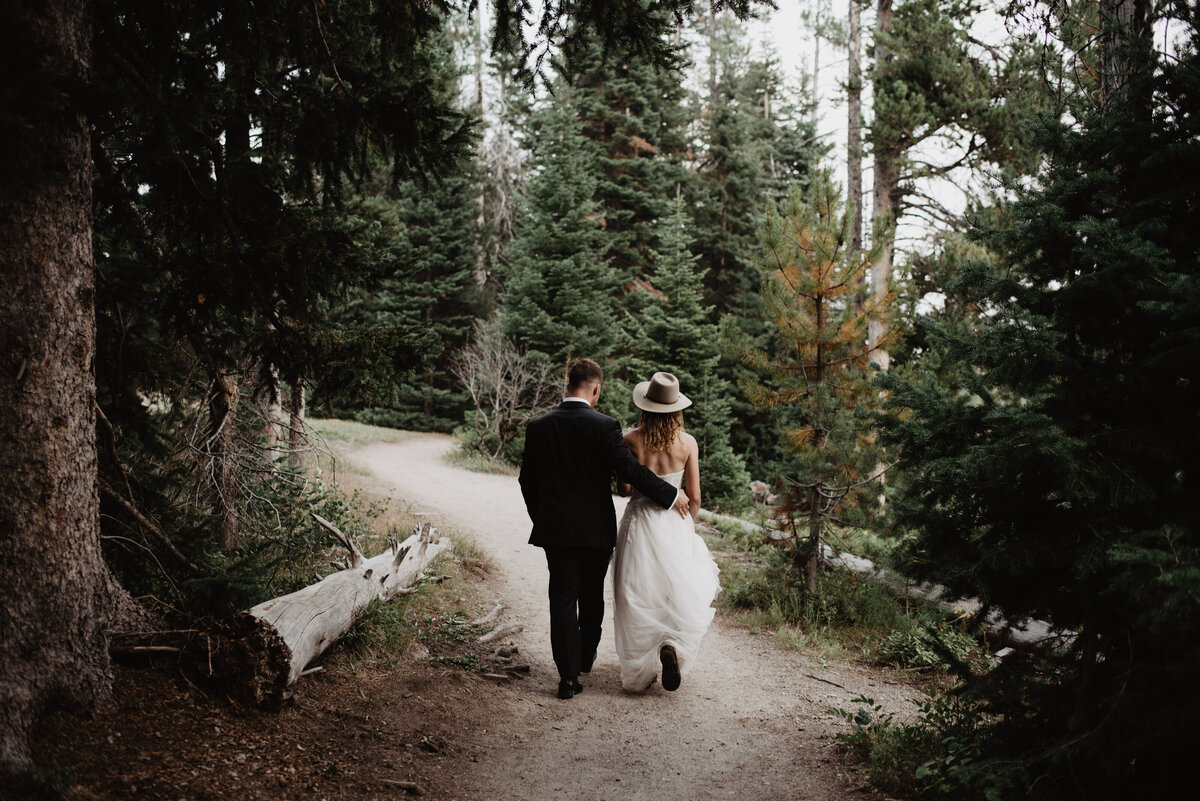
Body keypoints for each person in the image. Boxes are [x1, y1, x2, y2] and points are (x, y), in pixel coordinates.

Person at [519, 359, 691, 700]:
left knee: (562, 598)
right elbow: (632, 471)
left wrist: (542, 517)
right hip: (595, 531)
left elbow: (527, 480)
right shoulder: (605, 426)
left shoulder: (539, 426)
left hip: (556, 531)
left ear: (569, 384)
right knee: (591, 597)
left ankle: (568, 678)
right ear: (595, 389)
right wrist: (671, 494)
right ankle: (583, 658)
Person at [613, 371, 720, 692]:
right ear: (677, 409)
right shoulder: (688, 443)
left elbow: (625, 490)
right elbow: (696, 496)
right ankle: (669, 644)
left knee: (636, 594)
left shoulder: (630, 440)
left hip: (639, 523)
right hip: (675, 523)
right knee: (673, 591)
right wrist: (686, 526)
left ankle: (641, 669)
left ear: (645, 406)